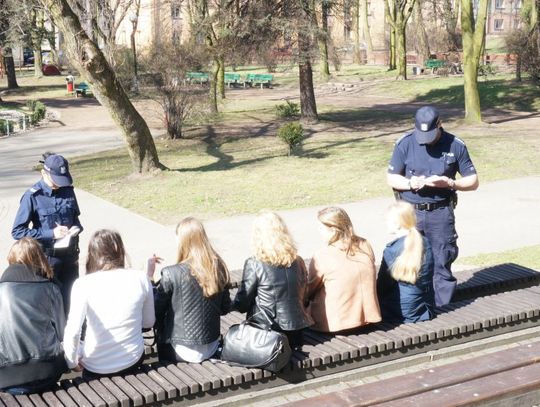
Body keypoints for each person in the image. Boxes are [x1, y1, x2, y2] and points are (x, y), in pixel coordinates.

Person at [386, 106, 479, 306]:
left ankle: (441, 309)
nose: (425, 139)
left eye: (430, 133)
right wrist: (411, 183)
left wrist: (451, 183)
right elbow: (392, 177)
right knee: (407, 260)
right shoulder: (405, 143)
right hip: (411, 212)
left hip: (440, 211)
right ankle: (406, 307)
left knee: (442, 259)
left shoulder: (455, 145)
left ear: (440, 124)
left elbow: (473, 181)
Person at [63, 229, 155, 379]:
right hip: (132, 359)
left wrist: (71, 362)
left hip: (96, 365)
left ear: (92, 253)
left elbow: (73, 331)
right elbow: (149, 322)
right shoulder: (140, 277)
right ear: (120, 250)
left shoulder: (83, 284)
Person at [149, 217, 231, 363]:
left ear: (182, 241)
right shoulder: (218, 268)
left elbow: (155, 313)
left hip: (179, 350)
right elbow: (225, 308)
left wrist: (149, 276)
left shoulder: (170, 273)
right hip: (211, 346)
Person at [12, 152, 83, 313]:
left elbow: (76, 219)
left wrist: (76, 229)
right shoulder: (32, 196)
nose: (59, 184)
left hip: (70, 257)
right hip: (47, 259)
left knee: (72, 301)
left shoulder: (68, 191)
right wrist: (50, 233)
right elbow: (17, 231)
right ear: (44, 173)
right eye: (55, 180)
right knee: (48, 304)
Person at [233, 211, 313, 349]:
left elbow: (242, 304)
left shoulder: (255, 263)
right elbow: (304, 294)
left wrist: (229, 305)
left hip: (267, 331)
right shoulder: (298, 261)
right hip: (296, 330)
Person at [0, 238, 66, 395]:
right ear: (40, 259)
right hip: (48, 373)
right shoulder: (51, 288)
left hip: (6, 378)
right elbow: (62, 332)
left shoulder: (2, 289)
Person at [306, 207, 381, 332]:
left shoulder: (322, 255)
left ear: (333, 230)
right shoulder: (365, 245)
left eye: (320, 228)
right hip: (368, 318)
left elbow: (309, 290)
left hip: (335, 324)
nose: (318, 231)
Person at [377, 201, 435, 323]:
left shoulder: (392, 250)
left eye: (387, 221)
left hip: (401, 311)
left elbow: (382, 286)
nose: (385, 224)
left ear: (397, 224)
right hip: (426, 307)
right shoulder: (425, 242)